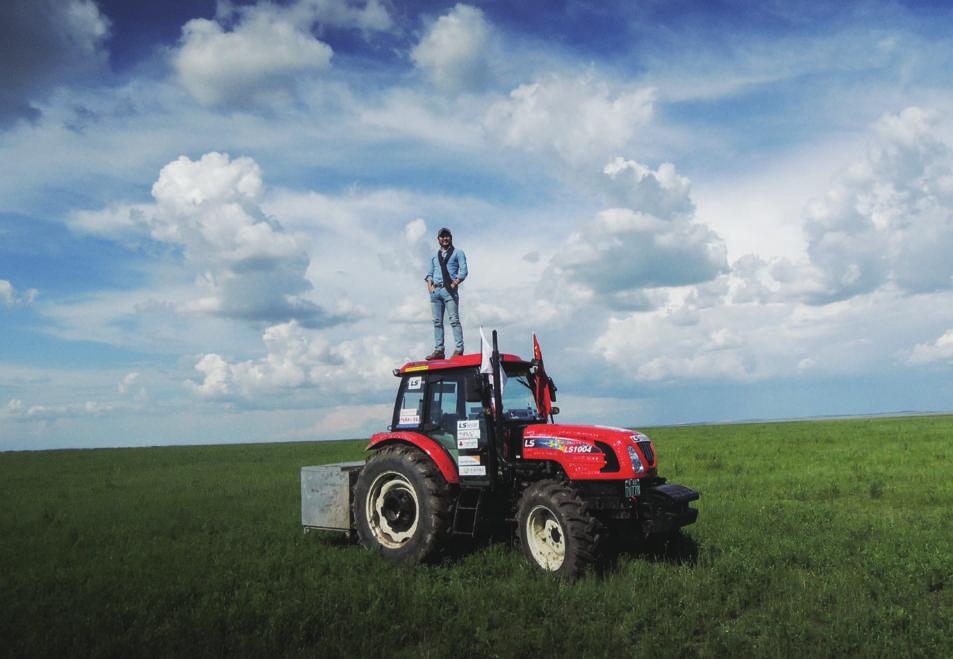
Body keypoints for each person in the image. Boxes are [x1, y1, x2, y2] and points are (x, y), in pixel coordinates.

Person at [425, 227, 467, 359]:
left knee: (454, 320)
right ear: (438, 239)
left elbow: (464, 270)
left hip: (449, 290)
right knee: (437, 322)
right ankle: (439, 350)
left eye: (447, 236)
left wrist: (455, 283)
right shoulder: (434, 256)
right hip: (435, 291)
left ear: (451, 237)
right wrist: (430, 286)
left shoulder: (458, 253)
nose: (444, 238)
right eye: (442, 236)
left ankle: (459, 349)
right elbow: (429, 273)